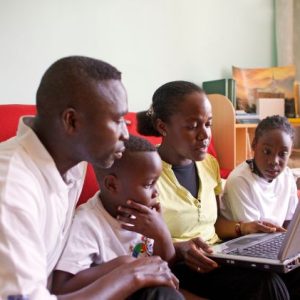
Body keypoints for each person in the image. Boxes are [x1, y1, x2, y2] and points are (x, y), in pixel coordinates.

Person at [0, 57, 182, 300]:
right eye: (117, 121)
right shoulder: (12, 187)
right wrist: (130, 273)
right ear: (72, 121)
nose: (126, 135)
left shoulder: (69, 163)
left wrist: (173, 246)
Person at [134, 80, 300, 299]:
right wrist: (179, 248)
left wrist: (243, 228)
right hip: (178, 263)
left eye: (208, 124)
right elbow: (134, 245)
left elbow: (215, 223)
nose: (205, 135)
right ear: (163, 126)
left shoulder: (208, 164)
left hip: (217, 253)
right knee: (265, 285)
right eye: (193, 126)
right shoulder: (143, 172)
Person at [51, 134, 177, 294]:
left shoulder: (147, 217)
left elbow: (167, 268)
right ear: (112, 184)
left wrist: (162, 235)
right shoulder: (87, 223)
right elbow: (61, 287)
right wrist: (123, 264)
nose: (156, 192)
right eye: (148, 184)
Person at [220, 115, 298, 229]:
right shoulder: (240, 180)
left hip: (274, 239)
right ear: (254, 145)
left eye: (282, 154)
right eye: (267, 151)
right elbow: (254, 234)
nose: (274, 161)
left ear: (290, 153)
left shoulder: (287, 176)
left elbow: (290, 222)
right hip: (246, 242)